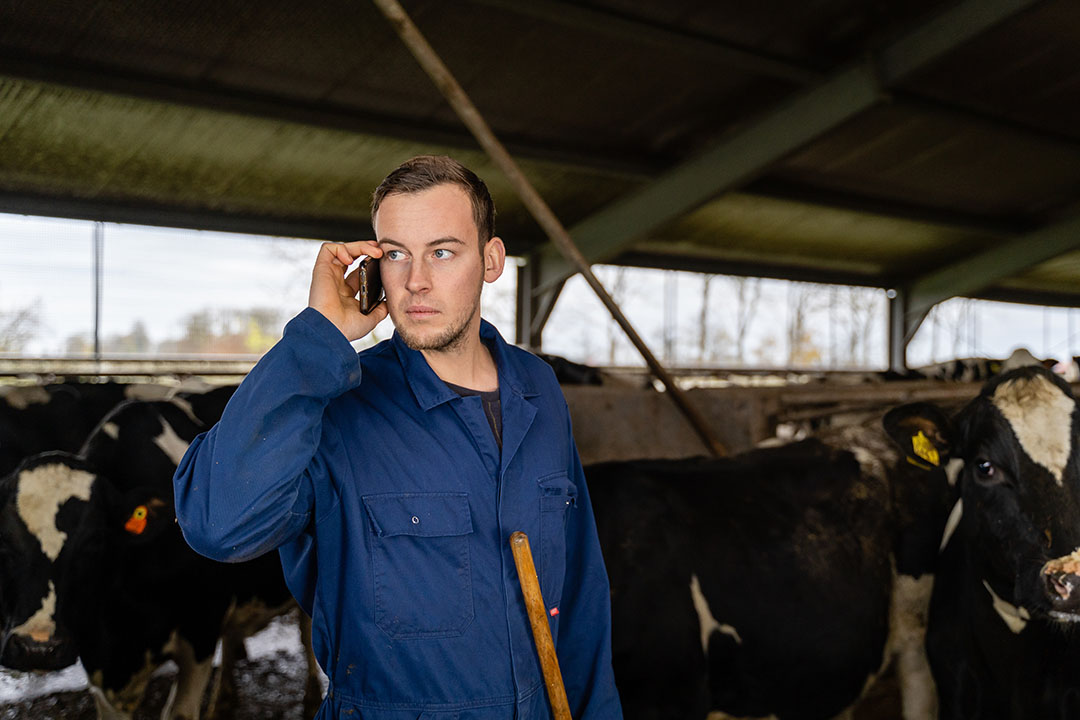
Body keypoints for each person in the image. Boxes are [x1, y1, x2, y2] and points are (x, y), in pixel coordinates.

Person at [173, 155, 623, 720]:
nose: (415, 281)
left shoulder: (538, 390)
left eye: (442, 251)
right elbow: (217, 525)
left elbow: (580, 594)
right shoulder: (337, 404)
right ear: (371, 268)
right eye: (394, 254)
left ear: (490, 260)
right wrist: (317, 341)